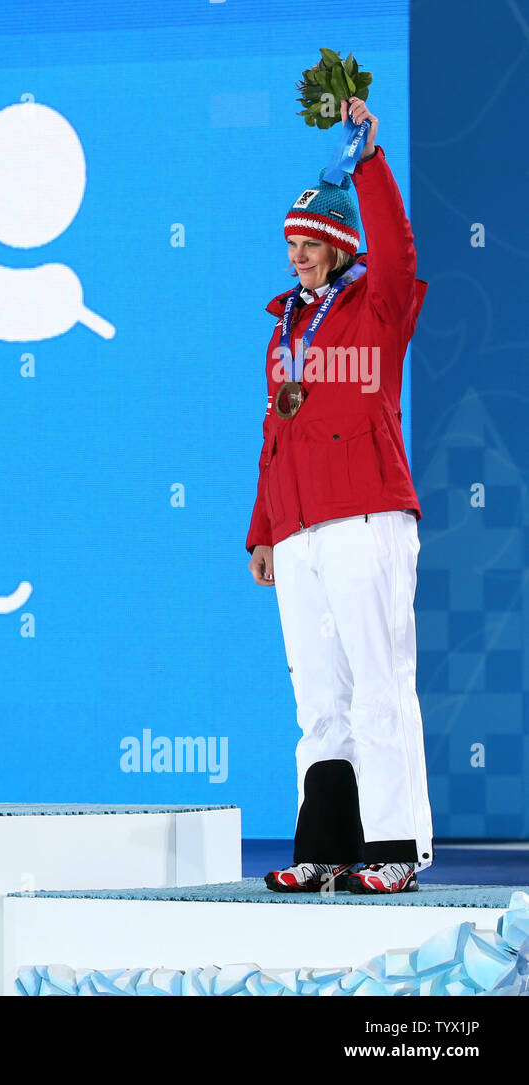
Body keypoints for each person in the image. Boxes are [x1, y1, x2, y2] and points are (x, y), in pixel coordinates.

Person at [247, 98, 432, 894]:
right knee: (320, 693)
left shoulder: (377, 309)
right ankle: (325, 845)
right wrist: (263, 530)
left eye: (311, 243)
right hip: (299, 530)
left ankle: (395, 846)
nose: (299, 257)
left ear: (339, 244)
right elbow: (273, 435)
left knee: (378, 682)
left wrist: (371, 162)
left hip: (367, 517)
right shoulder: (283, 330)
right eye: (291, 244)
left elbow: (398, 249)